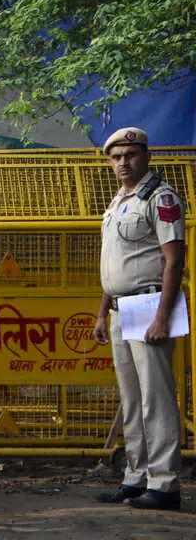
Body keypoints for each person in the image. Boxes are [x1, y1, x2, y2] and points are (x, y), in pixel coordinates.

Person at [93, 127, 185, 511]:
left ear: (146, 156)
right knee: (132, 399)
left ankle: (164, 483)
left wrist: (162, 317)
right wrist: (102, 312)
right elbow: (114, 263)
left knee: (156, 397)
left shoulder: (160, 197)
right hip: (120, 308)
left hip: (149, 305)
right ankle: (136, 476)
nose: (123, 163)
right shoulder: (118, 200)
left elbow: (174, 260)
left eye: (130, 155)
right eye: (116, 157)